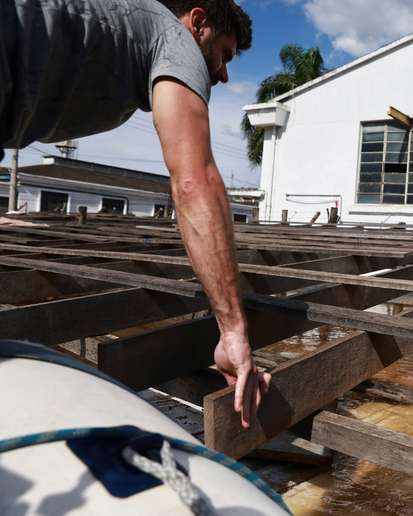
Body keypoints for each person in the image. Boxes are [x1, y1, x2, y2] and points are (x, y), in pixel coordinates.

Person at [0, 0, 269, 429]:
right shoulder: (175, 38)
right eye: (224, 52)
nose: (223, 73)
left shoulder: (126, 25)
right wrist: (233, 330)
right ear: (197, 23)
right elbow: (193, 180)